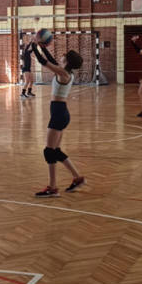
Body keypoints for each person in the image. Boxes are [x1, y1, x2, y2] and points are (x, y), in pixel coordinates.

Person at [31, 43, 86, 197]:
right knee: (56, 151)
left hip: (59, 113)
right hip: (60, 112)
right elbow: (51, 60)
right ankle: (77, 178)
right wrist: (41, 46)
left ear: (67, 60)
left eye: (64, 55)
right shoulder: (65, 71)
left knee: (49, 151)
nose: (62, 56)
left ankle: (52, 187)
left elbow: (43, 62)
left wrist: (34, 46)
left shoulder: (63, 73)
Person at [20, 34, 36, 98]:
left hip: (28, 68)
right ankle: (22, 93)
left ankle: (29, 92)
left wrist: (36, 43)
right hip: (25, 68)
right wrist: (32, 40)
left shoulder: (28, 52)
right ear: (24, 48)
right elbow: (28, 46)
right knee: (27, 81)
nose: (26, 46)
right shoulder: (25, 52)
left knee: (31, 81)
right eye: (25, 46)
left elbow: (33, 49)